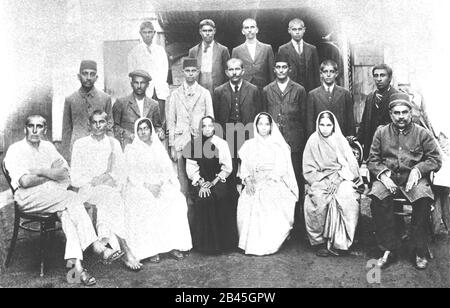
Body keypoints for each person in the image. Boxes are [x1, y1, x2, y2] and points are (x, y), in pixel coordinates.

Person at [3, 115, 122, 286]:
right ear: (25, 129)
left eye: (39, 127)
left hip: (54, 196)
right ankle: (96, 246)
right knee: (72, 198)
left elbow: (65, 172)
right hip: (29, 197)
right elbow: (25, 182)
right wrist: (51, 174)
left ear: (45, 130)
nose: (35, 130)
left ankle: (76, 269)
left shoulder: (48, 147)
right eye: (31, 126)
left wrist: (39, 171)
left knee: (68, 216)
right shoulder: (16, 149)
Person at [367, 93, 442, 270]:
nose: (401, 116)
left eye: (404, 112)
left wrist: (418, 169)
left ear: (411, 112)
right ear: (390, 114)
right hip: (389, 178)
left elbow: (435, 159)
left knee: (423, 200)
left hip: (413, 180)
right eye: (396, 113)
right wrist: (383, 175)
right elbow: (372, 160)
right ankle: (389, 249)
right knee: (377, 198)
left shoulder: (422, 133)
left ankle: (418, 249)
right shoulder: (381, 132)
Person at [70, 110, 142, 271]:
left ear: (107, 124)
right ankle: (124, 249)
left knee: (111, 197)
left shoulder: (113, 143)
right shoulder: (80, 144)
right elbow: (74, 177)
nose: (98, 126)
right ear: (89, 125)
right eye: (94, 122)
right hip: (87, 190)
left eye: (101, 122)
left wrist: (110, 178)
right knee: (111, 197)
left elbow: (121, 171)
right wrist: (92, 180)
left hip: (108, 188)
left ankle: (106, 245)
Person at [123, 118, 192, 263]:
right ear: (136, 131)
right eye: (140, 129)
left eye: (146, 128)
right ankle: (151, 250)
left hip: (160, 184)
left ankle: (174, 245)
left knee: (176, 200)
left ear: (150, 130)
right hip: (140, 186)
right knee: (146, 203)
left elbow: (167, 169)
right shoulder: (132, 149)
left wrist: (162, 183)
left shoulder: (158, 147)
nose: (143, 132)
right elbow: (131, 173)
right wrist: (147, 185)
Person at [237, 112, 298, 255]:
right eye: (260, 124)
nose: (263, 127)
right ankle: (248, 242)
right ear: (256, 126)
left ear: (271, 126)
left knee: (269, 198)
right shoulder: (249, 144)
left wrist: (269, 178)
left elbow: (282, 167)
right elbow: (243, 167)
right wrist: (247, 180)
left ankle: (268, 242)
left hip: (273, 181)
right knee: (247, 198)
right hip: (255, 180)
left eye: (266, 124)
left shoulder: (278, 145)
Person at [303, 111, 361, 257]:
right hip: (320, 178)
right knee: (318, 197)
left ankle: (342, 241)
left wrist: (339, 178)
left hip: (341, 177)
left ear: (333, 126)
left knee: (346, 196)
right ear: (318, 125)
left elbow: (349, 165)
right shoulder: (313, 140)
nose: (325, 128)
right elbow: (309, 168)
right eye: (322, 125)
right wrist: (323, 179)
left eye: (328, 125)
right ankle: (320, 241)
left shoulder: (339, 140)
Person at [262, 53, 307, 234]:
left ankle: (296, 224)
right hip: (274, 143)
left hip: (294, 142)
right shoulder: (266, 90)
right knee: (276, 181)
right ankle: (279, 225)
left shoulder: (299, 90)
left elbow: (304, 118)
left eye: (284, 67)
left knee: (294, 181)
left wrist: (302, 142)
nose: (281, 70)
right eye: (278, 67)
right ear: (274, 70)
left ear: (289, 69)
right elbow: (263, 117)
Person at [166, 58, 214, 226]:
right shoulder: (175, 94)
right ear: (183, 73)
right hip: (181, 143)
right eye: (187, 71)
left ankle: (199, 227)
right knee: (183, 187)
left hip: (200, 143)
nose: (191, 74)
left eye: (194, 71)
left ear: (198, 72)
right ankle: (185, 228)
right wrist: (172, 145)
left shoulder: (205, 93)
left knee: (199, 182)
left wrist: (208, 143)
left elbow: (210, 118)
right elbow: (170, 121)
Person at [185, 116, 238, 253]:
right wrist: (202, 184)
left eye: (210, 126)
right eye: (204, 126)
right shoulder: (194, 144)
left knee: (220, 197)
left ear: (214, 127)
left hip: (218, 180)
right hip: (201, 181)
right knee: (204, 199)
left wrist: (213, 183)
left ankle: (222, 244)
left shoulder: (221, 143)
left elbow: (227, 168)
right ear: (200, 128)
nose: (207, 129)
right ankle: (205, 246)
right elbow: (191, 169)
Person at [213, 58, 261, 181]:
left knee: (249, 169)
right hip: (227, 136)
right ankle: (232, 198)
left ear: (243, 71)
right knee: (230, 170)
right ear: (226, 72)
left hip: (247, 135)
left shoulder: (253, 90)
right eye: (231, 69)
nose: (234, 73)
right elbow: (216, 118)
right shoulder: (219, 91)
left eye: (237, 69)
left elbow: (258, 114)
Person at [62, 60, 112, 163]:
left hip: (100, 148)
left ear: (96, 77)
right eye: (85, 73)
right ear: (78, 76)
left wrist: (112, 149)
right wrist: (66, 156)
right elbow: (66, 131)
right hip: (77, 150)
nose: (88, 77)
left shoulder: (105, 98)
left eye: (92, 74)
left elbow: (110, 126)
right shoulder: (70, 99)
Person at [128, 21, 170, 132]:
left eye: (150, 32)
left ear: (154, 33)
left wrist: (160, 84)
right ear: (140, 33)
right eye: (145, 32)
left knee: (160, 120)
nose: (147, 35)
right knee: (145, 119)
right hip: (144, 90)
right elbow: (132, 74)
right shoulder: (134, 52)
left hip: (159, 90)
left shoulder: (160, 50)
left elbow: (164, 69)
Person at [357, 64, 399, 161]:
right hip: (371, 149)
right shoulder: (370, 97)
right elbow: (364, 123)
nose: (378, 79)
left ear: (390, 78)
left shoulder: (396, 96)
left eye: (382, 75)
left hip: (390, 149)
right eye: (376, 76)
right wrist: (358, 141)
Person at [113, 70, 163, 148]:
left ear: (147, 85)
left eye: (142, 83)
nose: (139, 86)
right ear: (131, 84)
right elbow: (114, 126)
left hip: (148, 147)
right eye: (136, 82)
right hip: (128, 146)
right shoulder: (121, 103)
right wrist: (129, 135)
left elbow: (157, 126)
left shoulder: (154, 104)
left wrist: (159, 132)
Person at [306, 60, 355, 137]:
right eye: (325, 72)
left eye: (331, 71)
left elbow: (350, 121)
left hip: (340, 138)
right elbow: (310, 124)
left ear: (336, 74)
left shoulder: (345, 94)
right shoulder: (313, 95)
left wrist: (350, 139)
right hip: (320, 139)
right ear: (321, 74)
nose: (328, 74)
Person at [188, 19, 230, 96]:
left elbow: (227, 72)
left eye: (210, 30)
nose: (207, 33)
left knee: (216, 107)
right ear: (200, 32)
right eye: (204, 31)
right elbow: (189, 72)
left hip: (216, 85)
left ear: (214, 31)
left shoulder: (223, 50)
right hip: (199, 84)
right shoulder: (193, 51)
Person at [277, 18, 320, 93]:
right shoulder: (283, 50)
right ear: (289, 31)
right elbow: (281, 73)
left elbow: (316, 74)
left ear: (304, 30)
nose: (297, 32)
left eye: (300, 29)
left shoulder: (312, 49)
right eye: (294, 29)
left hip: (309, 91)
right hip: (290, 91)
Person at [231, 18, 274, 90]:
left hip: (263, 89)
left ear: (257, 30)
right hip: (244, 89)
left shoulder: (267, 48)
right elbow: (234, 73)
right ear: (243, 31)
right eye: (246, 28)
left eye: (252, 27)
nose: (249, 30)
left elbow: (272, 74)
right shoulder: (236, 50)